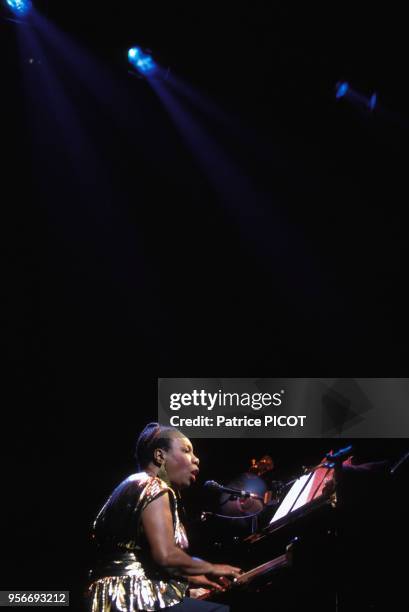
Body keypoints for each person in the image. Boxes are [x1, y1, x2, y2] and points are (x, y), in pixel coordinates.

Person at [87, 423, 241, 611]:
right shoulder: (154, 486)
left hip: (110, 596)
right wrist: (213, 568)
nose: (196, 459)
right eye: (186, 451)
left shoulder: (132, 485)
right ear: (160, 456)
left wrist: (190, 584)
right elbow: (166, 555)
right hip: (131, 596)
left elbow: (144, 559)